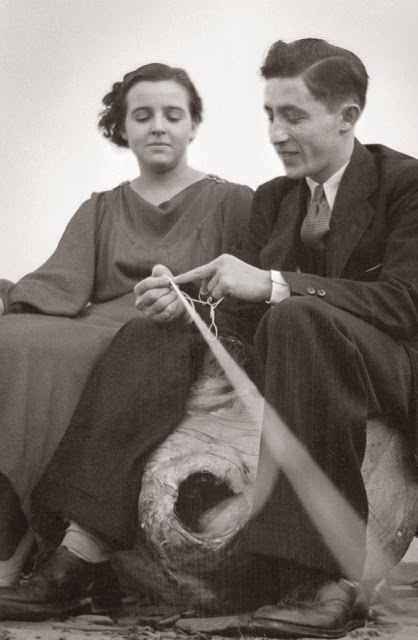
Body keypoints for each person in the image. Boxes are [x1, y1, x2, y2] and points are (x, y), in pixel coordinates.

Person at [0, 37, 418, 637]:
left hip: (398, 364)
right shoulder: (274, 199)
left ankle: (324, 580)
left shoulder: (413, 184)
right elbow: (241, 313)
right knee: (154, 332)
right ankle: (77, 555)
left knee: (296, 316)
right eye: (269, 115)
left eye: (293, 116)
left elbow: (408, 301)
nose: (276, 134)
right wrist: (186, 304)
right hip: (299, 353)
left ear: (347, 116)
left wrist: (273, 283)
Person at [0, 62, 252, 594]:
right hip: (100, 317)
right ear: (122, 128)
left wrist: (192, 300)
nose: (158, 126)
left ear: (193, 125)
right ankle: (12, 522)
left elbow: (244, 287)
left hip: (174, 332)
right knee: (12, 338)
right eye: (142, 116)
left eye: (172, 115)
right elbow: (59, 283)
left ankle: (44, 532)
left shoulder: (233, 201)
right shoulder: (102, 207)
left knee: (101, 348)